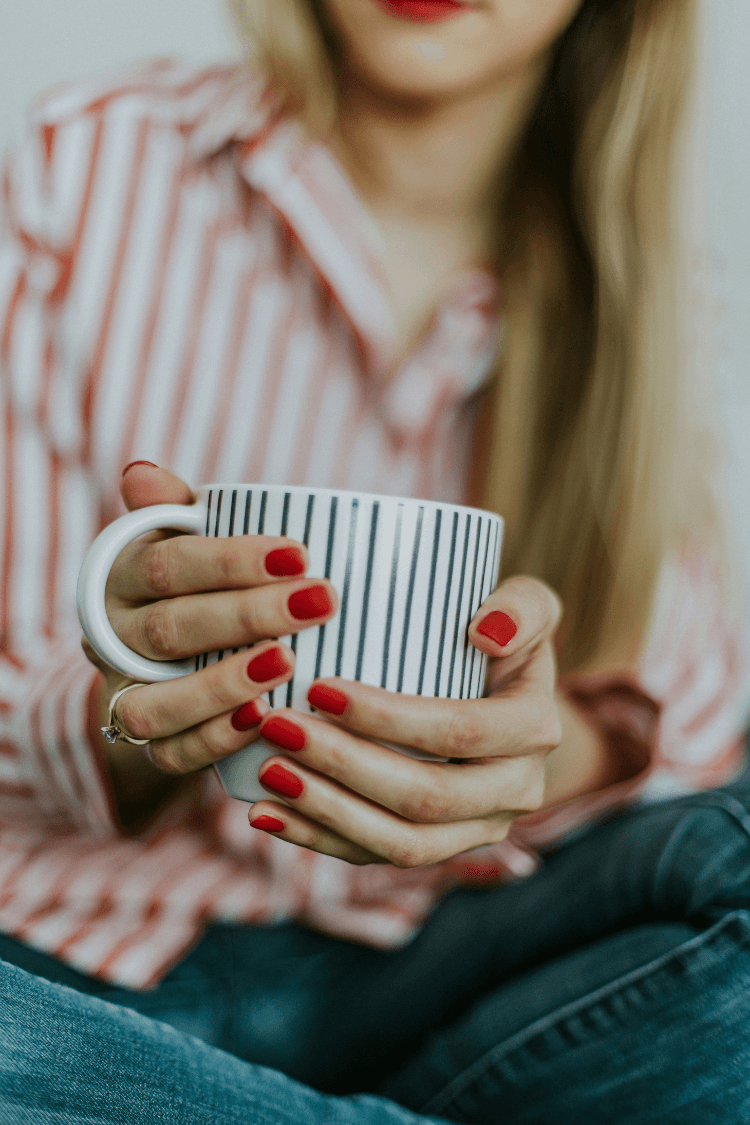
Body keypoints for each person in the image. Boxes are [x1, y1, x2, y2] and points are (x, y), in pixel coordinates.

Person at [1, 0, 749, 1121]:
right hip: (78, 956)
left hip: (439, 964)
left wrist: (525, 754)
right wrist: (140, 711)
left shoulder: (644, 287)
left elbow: (698, 718)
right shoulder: (88, 163)